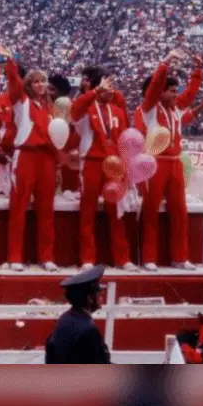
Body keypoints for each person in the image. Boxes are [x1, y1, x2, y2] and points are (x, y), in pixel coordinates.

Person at [133, 49, 203, 271]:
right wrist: (165, 63)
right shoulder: (149, 110)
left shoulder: (175, 110)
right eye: (172, 91)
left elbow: (190, 95)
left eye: (176, 91)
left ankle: (180, 257)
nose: (176, 94)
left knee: (180, 211)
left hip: (175, 163)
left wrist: (198, 71)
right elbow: (154, 87)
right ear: (160, 92)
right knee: (151, 210)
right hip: (156, 162)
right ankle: (148, 257)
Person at [70, 68, 136, 271]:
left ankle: (122, 258)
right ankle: (88, 258)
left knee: (116, 211)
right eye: (107, 85)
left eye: (113, 85)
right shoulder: (86, 109)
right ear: (98, 87)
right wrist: (94, 91)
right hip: (91, 161)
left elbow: (124, 139)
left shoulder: (117, 111)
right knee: (87, 211)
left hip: (114, 164)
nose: (112, 89)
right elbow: (75, 110)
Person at [1, 42, 57, 272]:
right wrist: (10, 61)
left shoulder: (50, 107)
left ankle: (47, 257)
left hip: (46, 159)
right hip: (24, 157)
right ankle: (15, 257)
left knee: (46, 210)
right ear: (28, 85)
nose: (41, 85)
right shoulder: (21, 102)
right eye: (36, 81)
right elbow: (14, 82)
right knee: (19, 208)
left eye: (43, 81)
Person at [45, 265, 112, 364]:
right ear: (90, 299)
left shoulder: (65, 318)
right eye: (99, 294)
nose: (101, 298)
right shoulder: (88, 330)